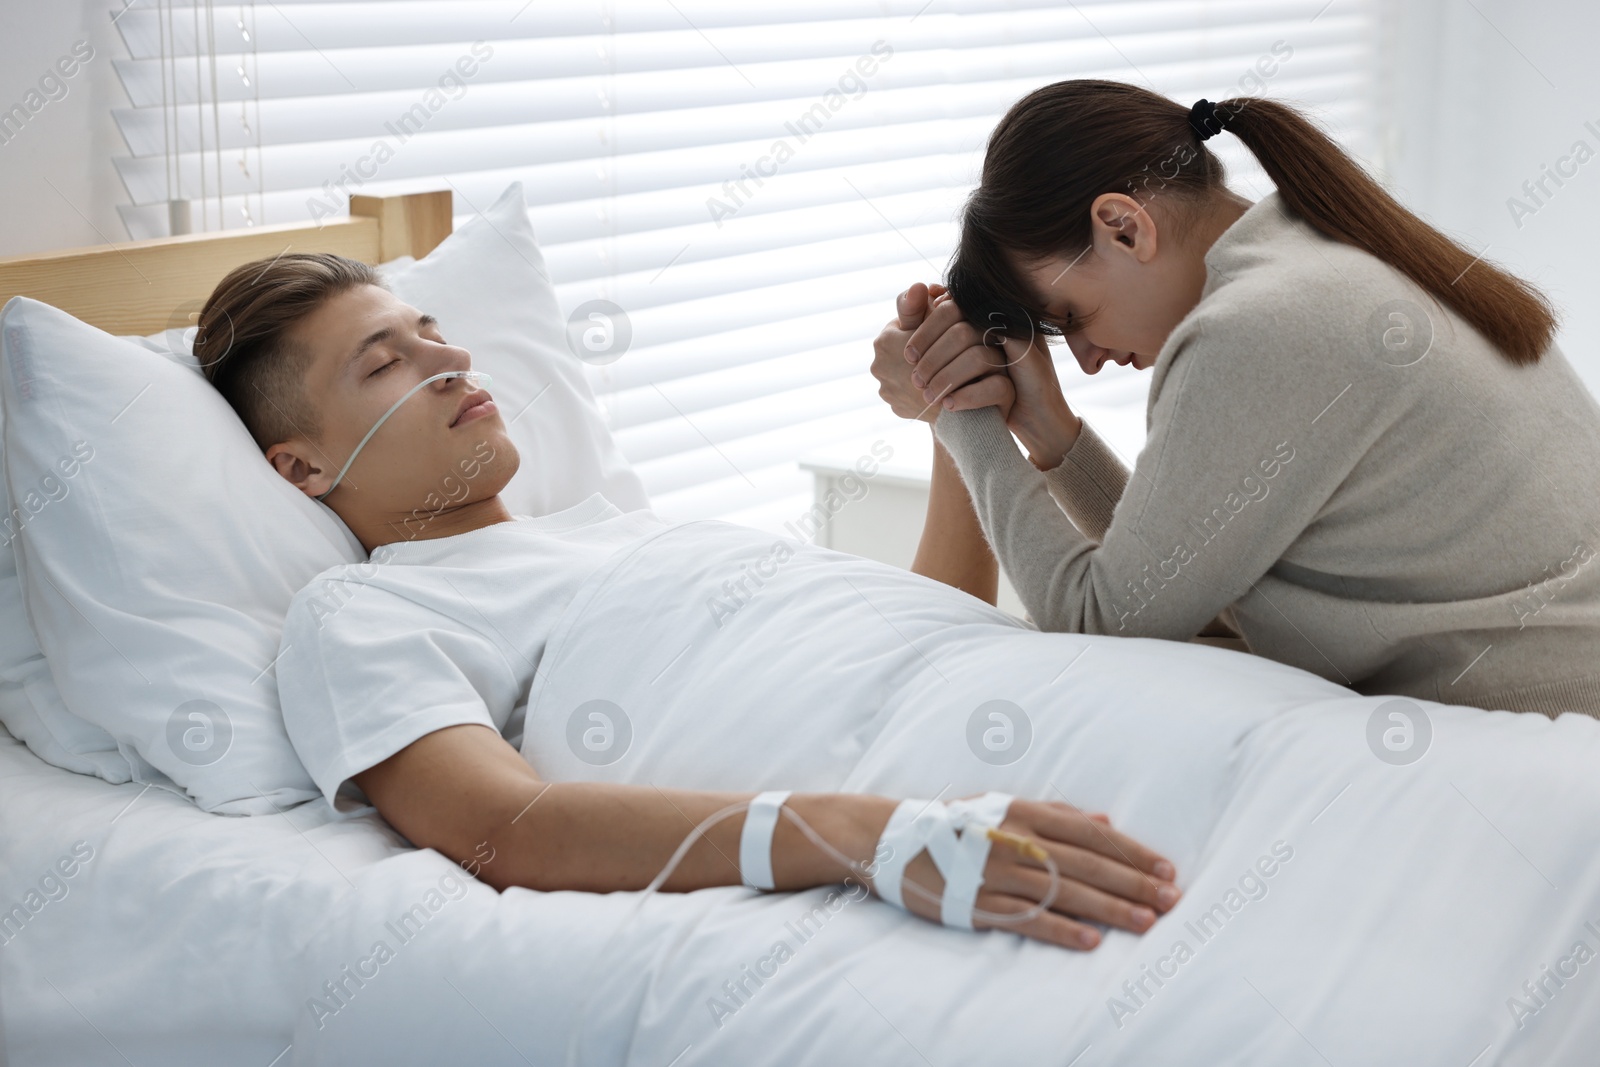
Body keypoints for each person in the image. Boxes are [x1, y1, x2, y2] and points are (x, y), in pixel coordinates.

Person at [192, 251, 1183, 952]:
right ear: (302, 464)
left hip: (1062, 693)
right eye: (384, 362)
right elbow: (505, 825)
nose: (450, 361)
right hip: (977, 786)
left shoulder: (622, 528)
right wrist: (862, 831)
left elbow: (918, 630)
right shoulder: (362, 612)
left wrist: (952, 425)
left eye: (433, 333)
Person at [871, 80, 1600, 717]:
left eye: (1071, 319)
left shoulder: (1255, 328)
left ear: (1124, 228)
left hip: (1543, 723)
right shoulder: (1313, 246)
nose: (1088, 362)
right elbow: (1192, 578)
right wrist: (1051, 433)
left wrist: (957, 411)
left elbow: (1101, 626)